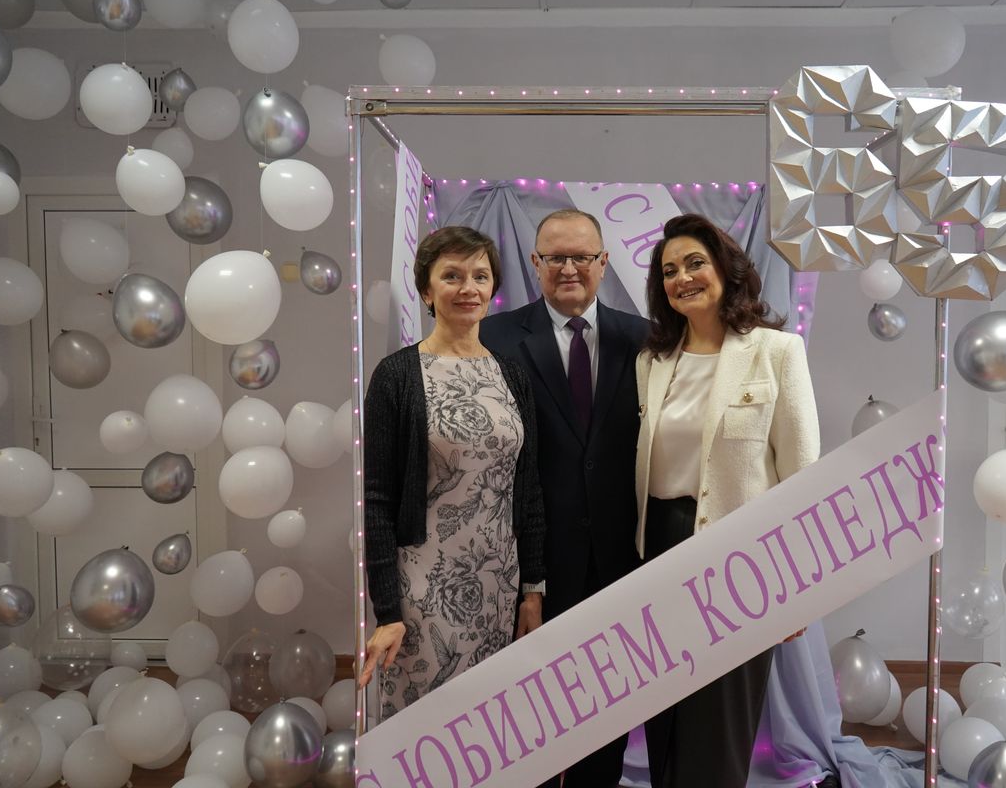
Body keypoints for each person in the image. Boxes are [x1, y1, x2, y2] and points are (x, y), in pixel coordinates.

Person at [635, 213, 836, 788]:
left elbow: (802, 476)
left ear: (725, 268)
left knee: (720, 717)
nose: (682, 278)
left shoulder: (777, 350)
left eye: (694, 263)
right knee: (664, 712)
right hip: (658, 551)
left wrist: (798, 589)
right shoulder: (653, 361)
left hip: (740, 558)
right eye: (669, 270)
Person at [481, 208, 648, 787]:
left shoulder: (645, 339)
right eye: (556, 257)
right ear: (535, 263)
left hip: (620, 557)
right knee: (524, 708)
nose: (570, 268)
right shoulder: (494, 337)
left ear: (604, 262)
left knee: (606, 704)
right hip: (528, 559)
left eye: (583, 256)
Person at [357, 226, 546, 722]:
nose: (468, 288)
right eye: (452, 276)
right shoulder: (396, 376)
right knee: (423, 728)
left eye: (480, 276)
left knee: (492, 726)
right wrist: (387, 612)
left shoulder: (511, 375)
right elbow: (377, 501)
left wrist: (532, 588)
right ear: (426, 290)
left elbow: (527, 491)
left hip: (498, 587)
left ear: (493, 288)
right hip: (421, 594)